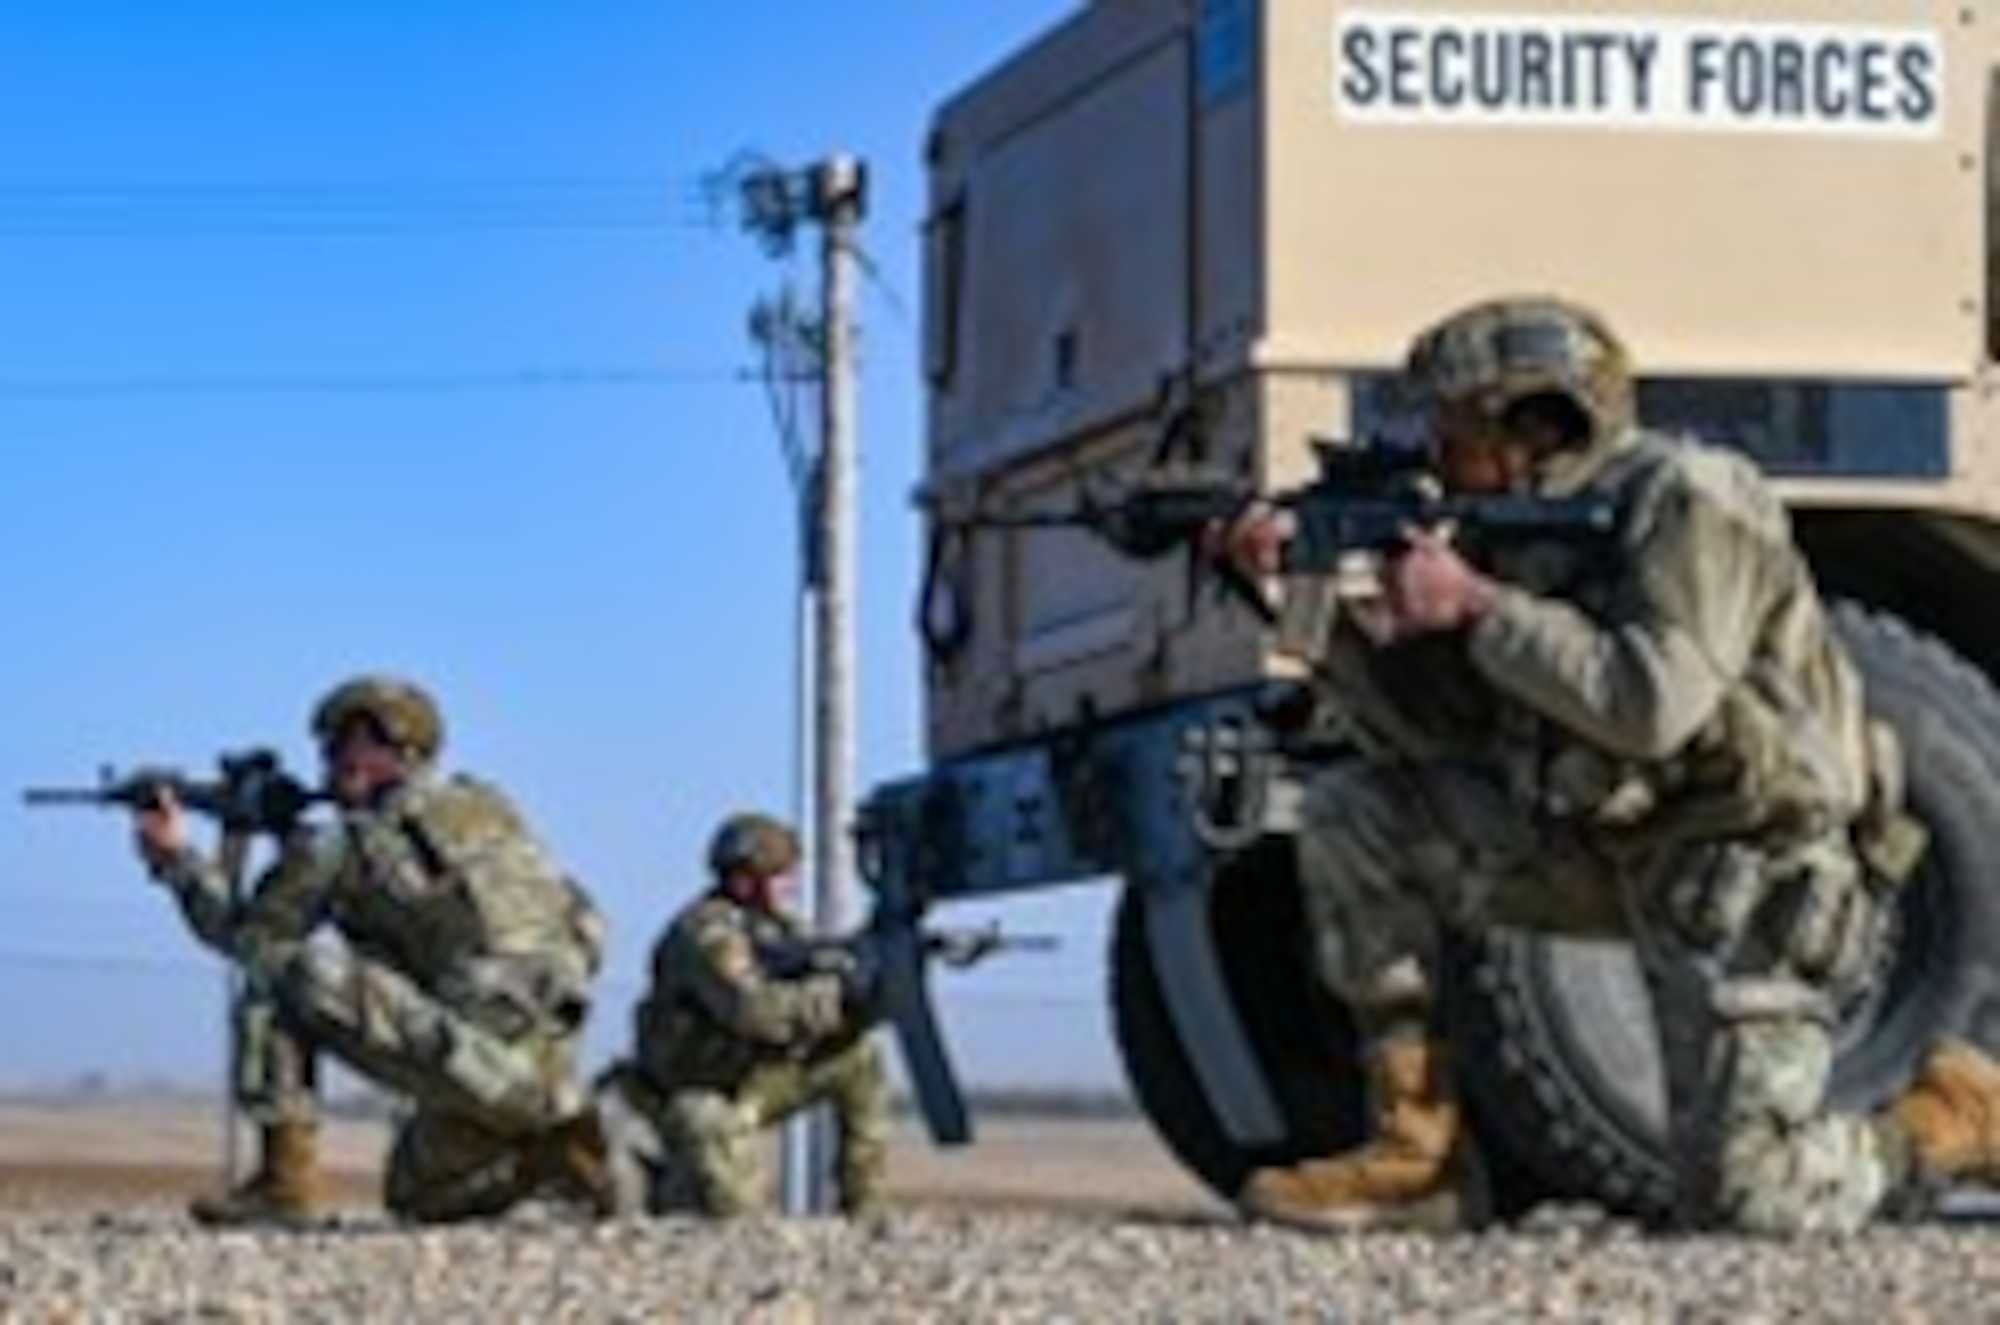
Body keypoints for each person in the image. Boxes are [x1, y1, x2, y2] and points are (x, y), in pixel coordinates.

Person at [1223, 295, 2000, 1235]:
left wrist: (1476, 605)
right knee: (1359, 812)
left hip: (1758, 875)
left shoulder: (1694, 500)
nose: (1430, 448)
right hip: (1613, 850)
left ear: (1533, 420)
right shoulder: (1515, 532)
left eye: (1450, 423)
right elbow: (1441, 732)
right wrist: (1289, 597)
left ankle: (1955, 1118)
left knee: (1755, 1203)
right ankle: (1416, 1155)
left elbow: (1652, 705)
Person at [133, 674, 617, 1225]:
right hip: (545, 1066)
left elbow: (249, 938)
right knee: (414, 1194)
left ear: (394, 747)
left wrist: (176, 861)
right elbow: (586, 921)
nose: (330, 760)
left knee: (280, 970)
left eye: (344, 744)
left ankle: (283, 1185)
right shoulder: (491, 813)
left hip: (474, 1064)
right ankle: (552, 1150)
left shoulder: (344, 843)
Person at [601, 811, 889, 1217]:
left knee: (860, 1059)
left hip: (752, 1078)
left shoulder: (780, 928)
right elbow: (753, 1011)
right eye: (779, 875)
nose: (790, 886)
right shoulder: (705, 932)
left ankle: (867, 1213)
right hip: (694, 1089)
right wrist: (835, 997)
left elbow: (814, 975)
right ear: (744, 880)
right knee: (735, 1217)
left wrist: (867, 988)